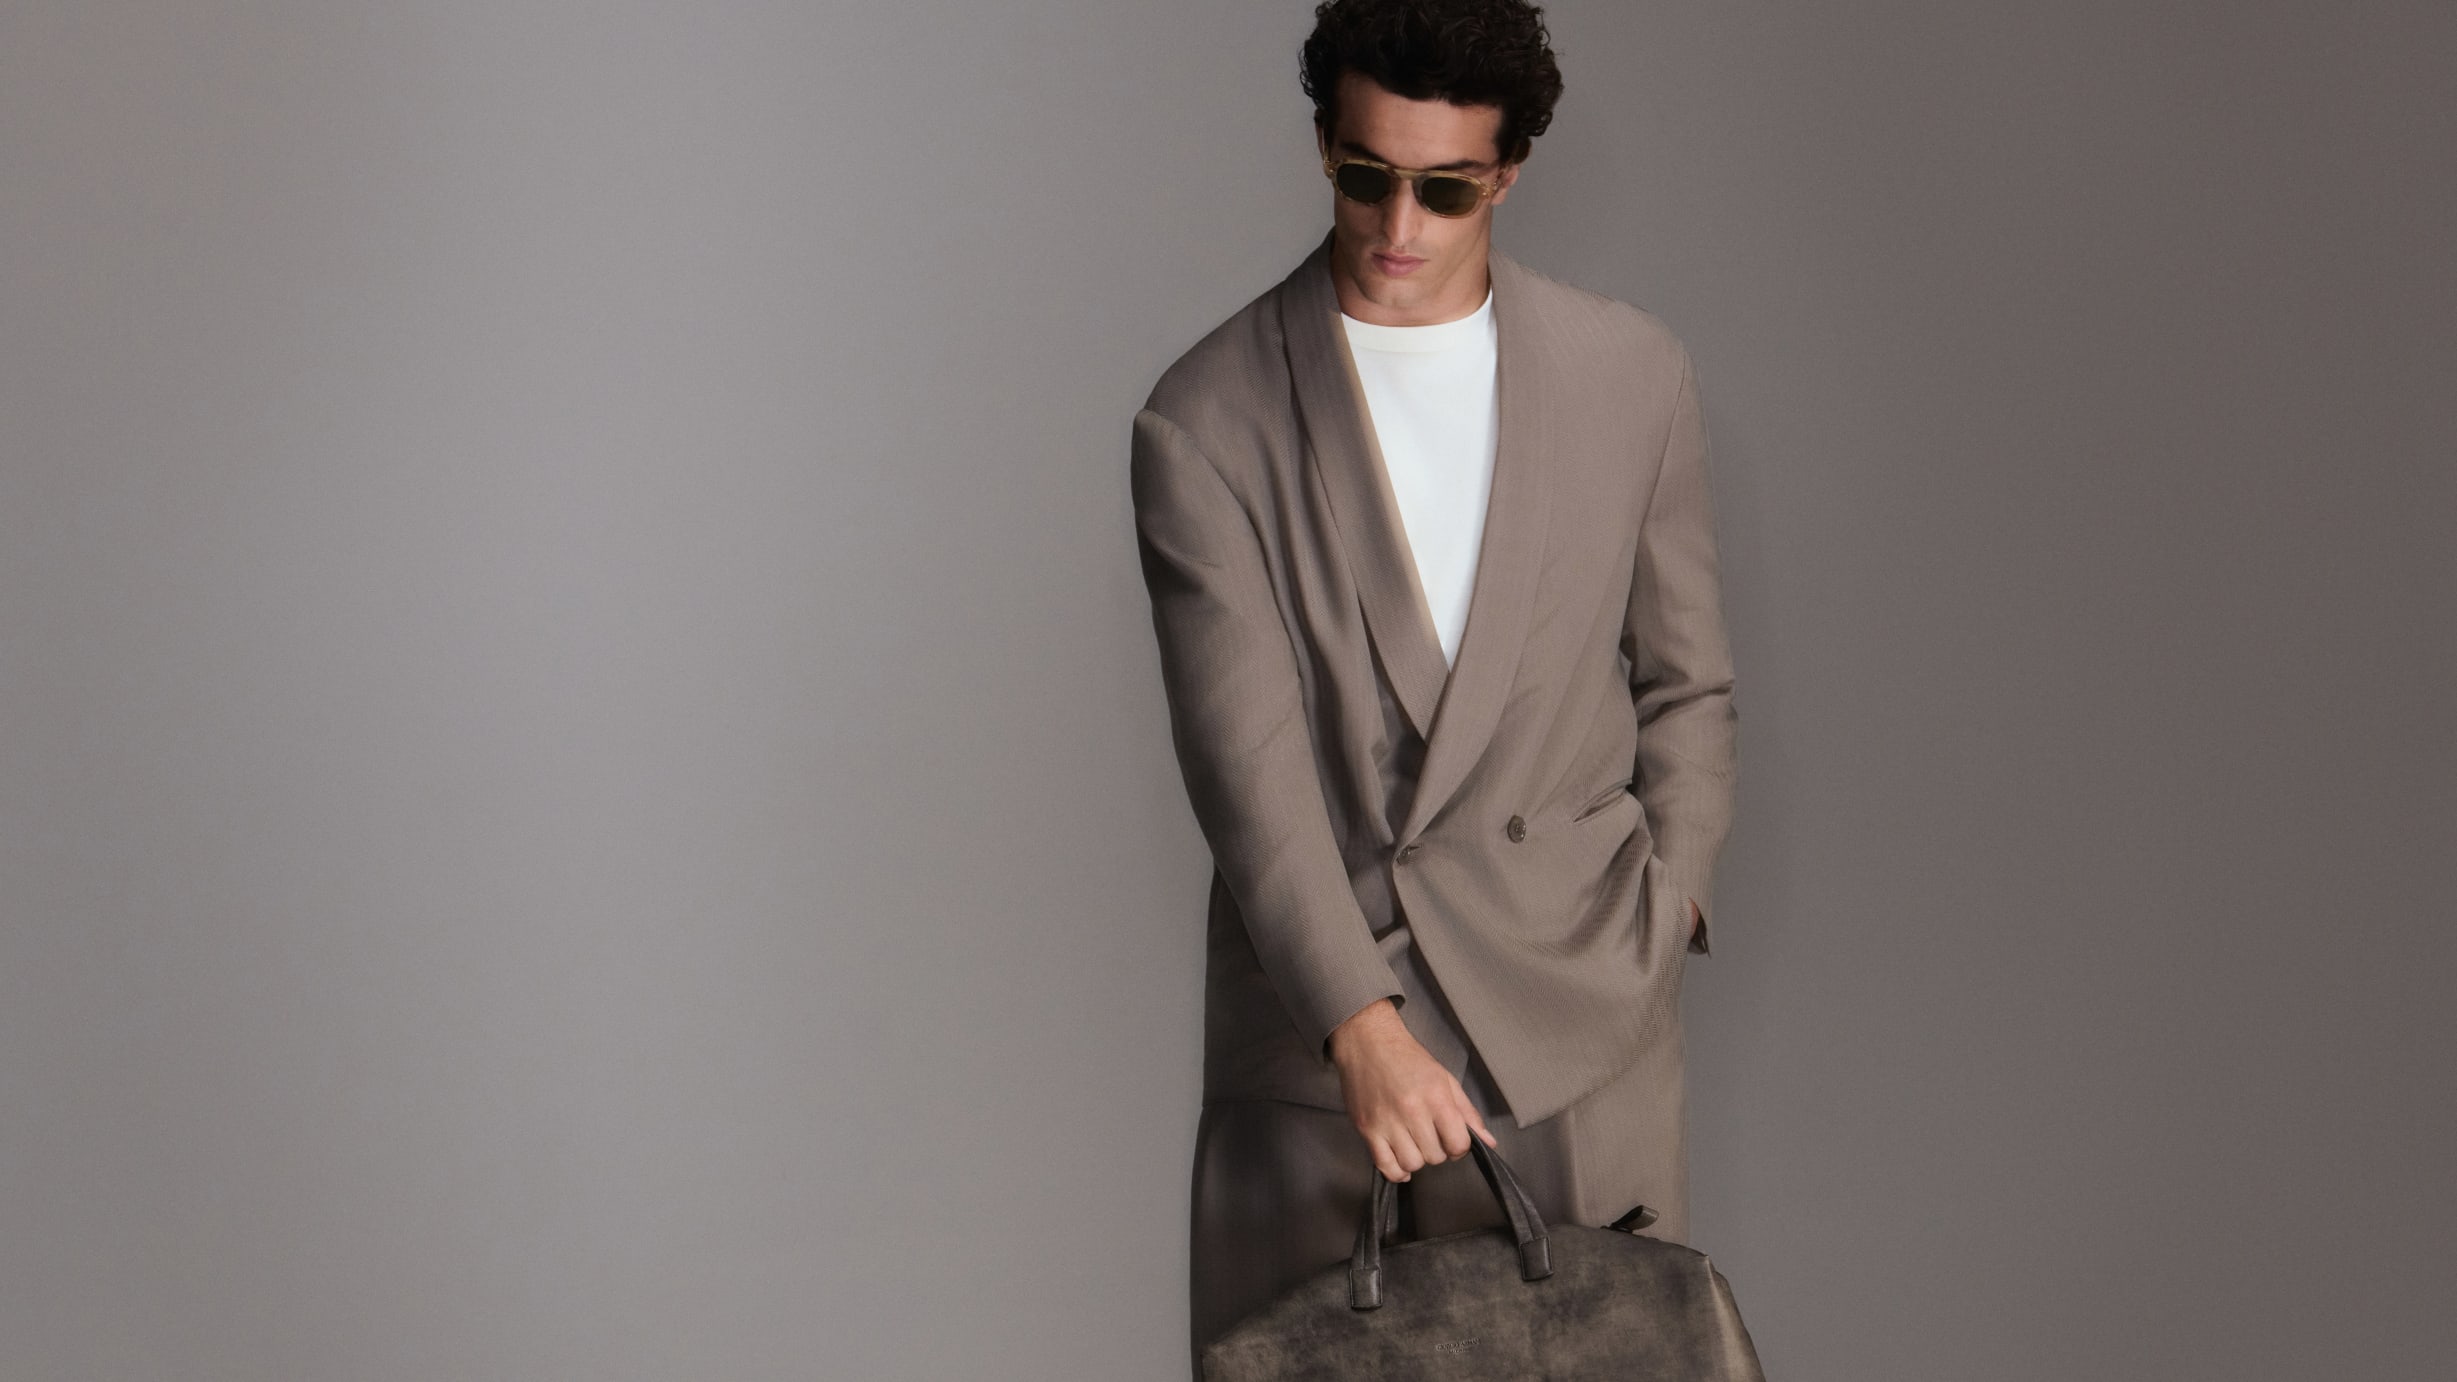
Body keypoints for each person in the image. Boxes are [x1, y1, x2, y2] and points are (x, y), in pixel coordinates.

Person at [1127, 0, 1738, 1365]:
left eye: (1446, 187)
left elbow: (1688, 681)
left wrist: (1669, 900)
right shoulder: (1205, 419)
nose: (1398, 223)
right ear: (1323, 147)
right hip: (1332, 1050)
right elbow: (1245, 770)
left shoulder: (1631, 377)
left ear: (1506, 174)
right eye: (1366, 175)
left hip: (1581, 1016)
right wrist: (1359, 1026)